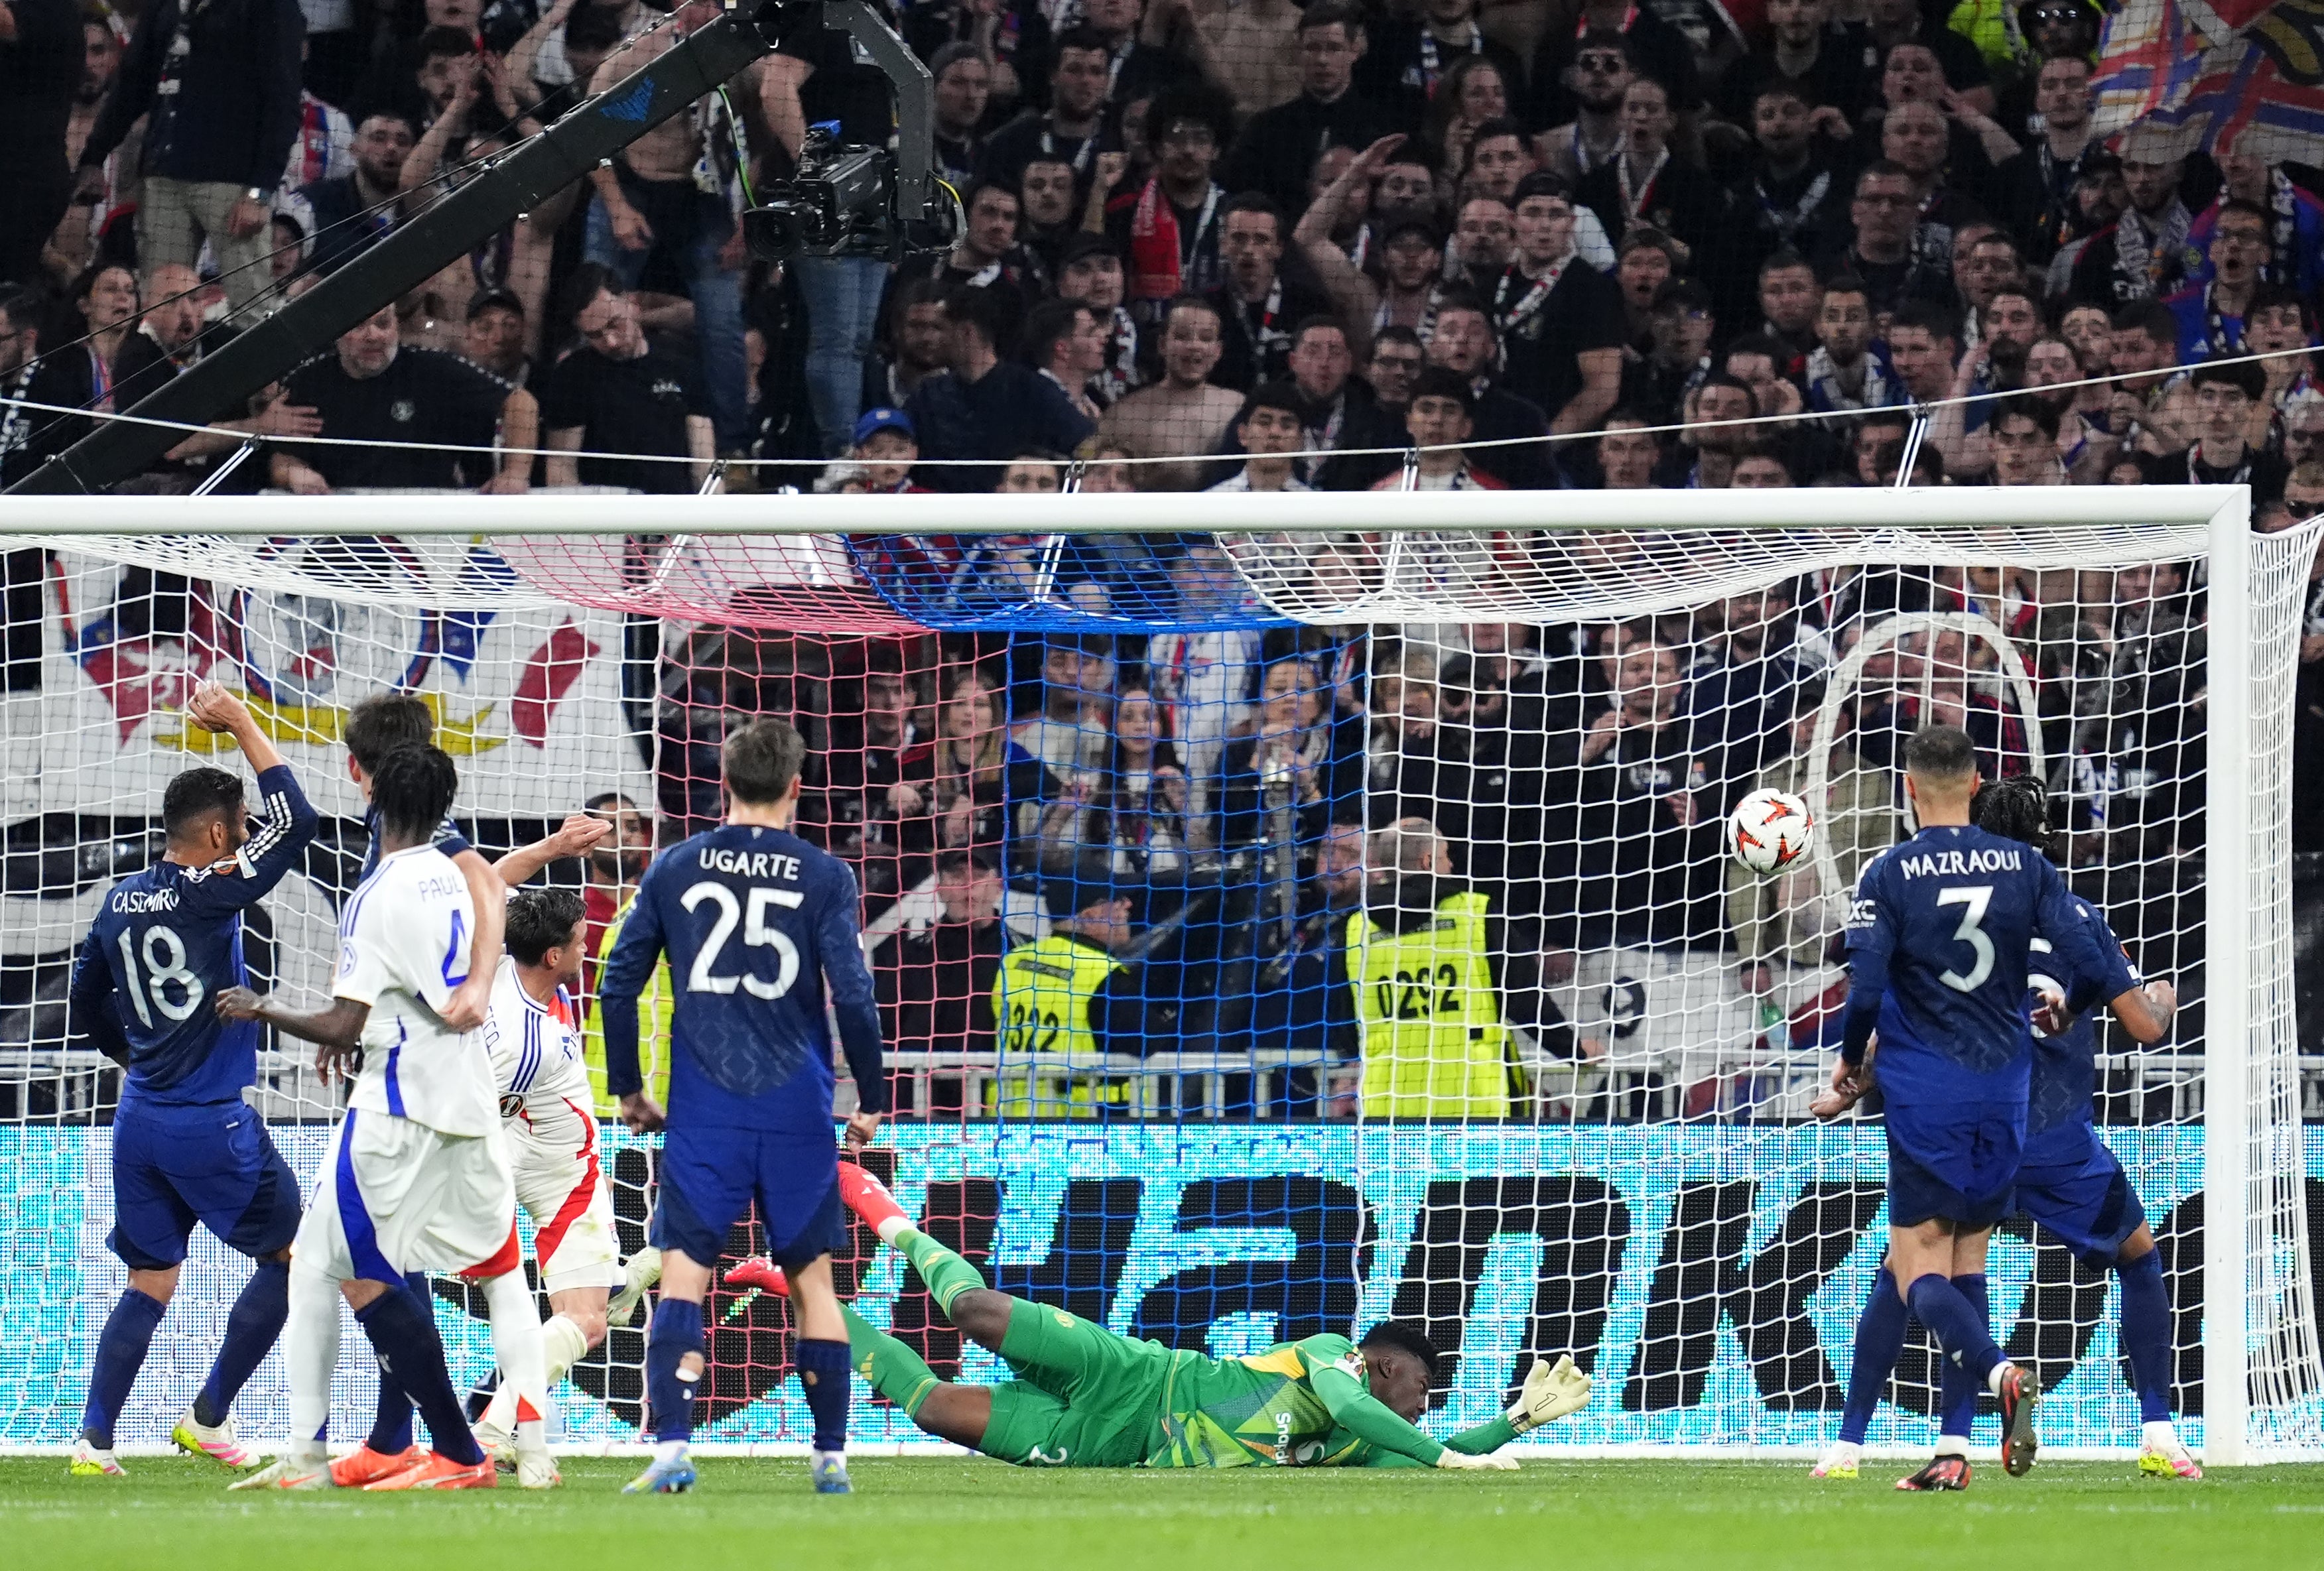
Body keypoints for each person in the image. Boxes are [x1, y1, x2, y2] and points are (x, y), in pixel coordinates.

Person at [1815, 774, 2189, 1487]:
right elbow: (2143, 1023)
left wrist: (1852, 1080)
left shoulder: (1927, 909)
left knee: (1921, 1269)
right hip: (2053, 1140)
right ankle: (2161, 1434)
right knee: (2139, 1255)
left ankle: (1878, 1445)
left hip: (1963, 1126)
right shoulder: (2074, 911)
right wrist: (2157, 997)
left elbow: (1894, 1018)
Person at [727, 1165, 1590, 1467]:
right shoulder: (1335, 1359)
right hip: (1132, 1373)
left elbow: (1439, 1451)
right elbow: (1388, 1422)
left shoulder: (1367, 1444)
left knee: (932, 1407)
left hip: (1115, 1444)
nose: (1420, 1404)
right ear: (1383, 1361)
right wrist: (1446, 1454)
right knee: (979, 1313)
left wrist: (1510, 1422)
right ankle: (890, 1217)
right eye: (1421, 1386)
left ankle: (800, 1289)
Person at [221, 744, 547, 1492]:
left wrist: (261, 1005)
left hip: (398, 1107)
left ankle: (452, 1451)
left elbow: (341, 1024)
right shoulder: (467, 876)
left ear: (372, 800)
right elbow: (491, 916)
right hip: (470, 1103)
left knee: (360, 1273)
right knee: (491, 1271)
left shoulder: (379, 892)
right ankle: (523, 1446)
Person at [599, 718, 889, 1496]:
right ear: (797, 785)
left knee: (685, 1279)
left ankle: (671, 1450)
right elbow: (854, 994)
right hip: (797, 1105)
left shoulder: (674, 866)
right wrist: (874, 1091)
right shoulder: (825, 874)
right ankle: (830, 1456)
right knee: (814, 1284)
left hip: (707, 1108)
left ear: (722, 778)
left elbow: (617, 982)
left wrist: (628, 1085)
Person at [62, 684, 317, 1477]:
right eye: (239, 829)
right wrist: (242, 721)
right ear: (214, 833)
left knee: (150, 1277)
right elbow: (300, 823)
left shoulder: (117, 900)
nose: (246, 839)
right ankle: (208, 1415)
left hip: (137, 1118)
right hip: (209, 1121)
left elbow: (82, 1001)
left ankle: (93, 1442)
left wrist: (131, 1056)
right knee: (299, 1258)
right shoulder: (213, 893)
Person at [469, 887, 661, 1468]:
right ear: (553, 955)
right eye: (581, 937)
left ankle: (624, 1281)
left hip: (511, 1150)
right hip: (559, 1171)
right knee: (585, 1321)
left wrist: (553, 845)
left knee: (591, 1304)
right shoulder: (534, 1044)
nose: (589, 943)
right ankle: (492, 1430)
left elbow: (489, 880)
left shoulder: (497, 958)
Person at [72, 0, 302, 312]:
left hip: (231, 185)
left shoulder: (268, 6)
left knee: (252, 305)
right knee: (159, 310)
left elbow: (283, 101)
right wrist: (93, 157)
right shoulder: (164, 4)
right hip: (163, 177)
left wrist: (260, 191)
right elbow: (133, 84)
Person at [1349, 815, 1551, 1119]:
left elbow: (1341, 1022)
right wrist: (1575, 1050)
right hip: (1476, 1098)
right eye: (1445, 856)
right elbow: (1525, 997)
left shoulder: (1356, 928)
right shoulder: (1475, 911)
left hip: (1387, 1103)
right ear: (1428, 860)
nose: (1451, 866)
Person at [269, 305, 537, 495]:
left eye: (383, 323)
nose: (373, 335)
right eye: (360, 325)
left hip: (425, 519)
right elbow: (283, 457)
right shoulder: (309, 381)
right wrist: (294, 473)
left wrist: (515, 473)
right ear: (338, 332)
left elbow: (521, 402)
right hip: (339, 517)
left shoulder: (434, 370)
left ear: (397, 326)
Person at [542, 269, 716, 493]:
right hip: (610, 515)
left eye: (615, 324)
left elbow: (703, 458)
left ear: (631, 304)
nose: (611, 341)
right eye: (595, 335)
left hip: (675, 512)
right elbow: (561, 468)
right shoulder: (572, 375)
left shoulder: (680, 361)